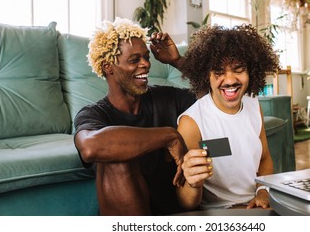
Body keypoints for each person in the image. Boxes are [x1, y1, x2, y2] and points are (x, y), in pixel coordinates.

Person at [74, 17, 198, 215]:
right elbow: (90, 147)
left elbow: (215, 96)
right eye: (134, 60)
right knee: (116, 156)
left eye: (146, 57)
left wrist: (177, 61)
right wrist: (168, 136)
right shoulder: (94, 113)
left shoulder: (166, 98)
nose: (146, 65)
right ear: (108, 67)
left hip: (176, 212)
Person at [178, 24, 280, 210]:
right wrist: (193, 183)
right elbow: (185, 203)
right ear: (205, 75)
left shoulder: (253, 104)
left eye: (238, 69)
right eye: (219, 71)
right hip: (221, 214)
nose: (231, 80)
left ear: (251, 71)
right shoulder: (191, 123)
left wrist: (262, 192)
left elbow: (265, 159)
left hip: (257, 207)